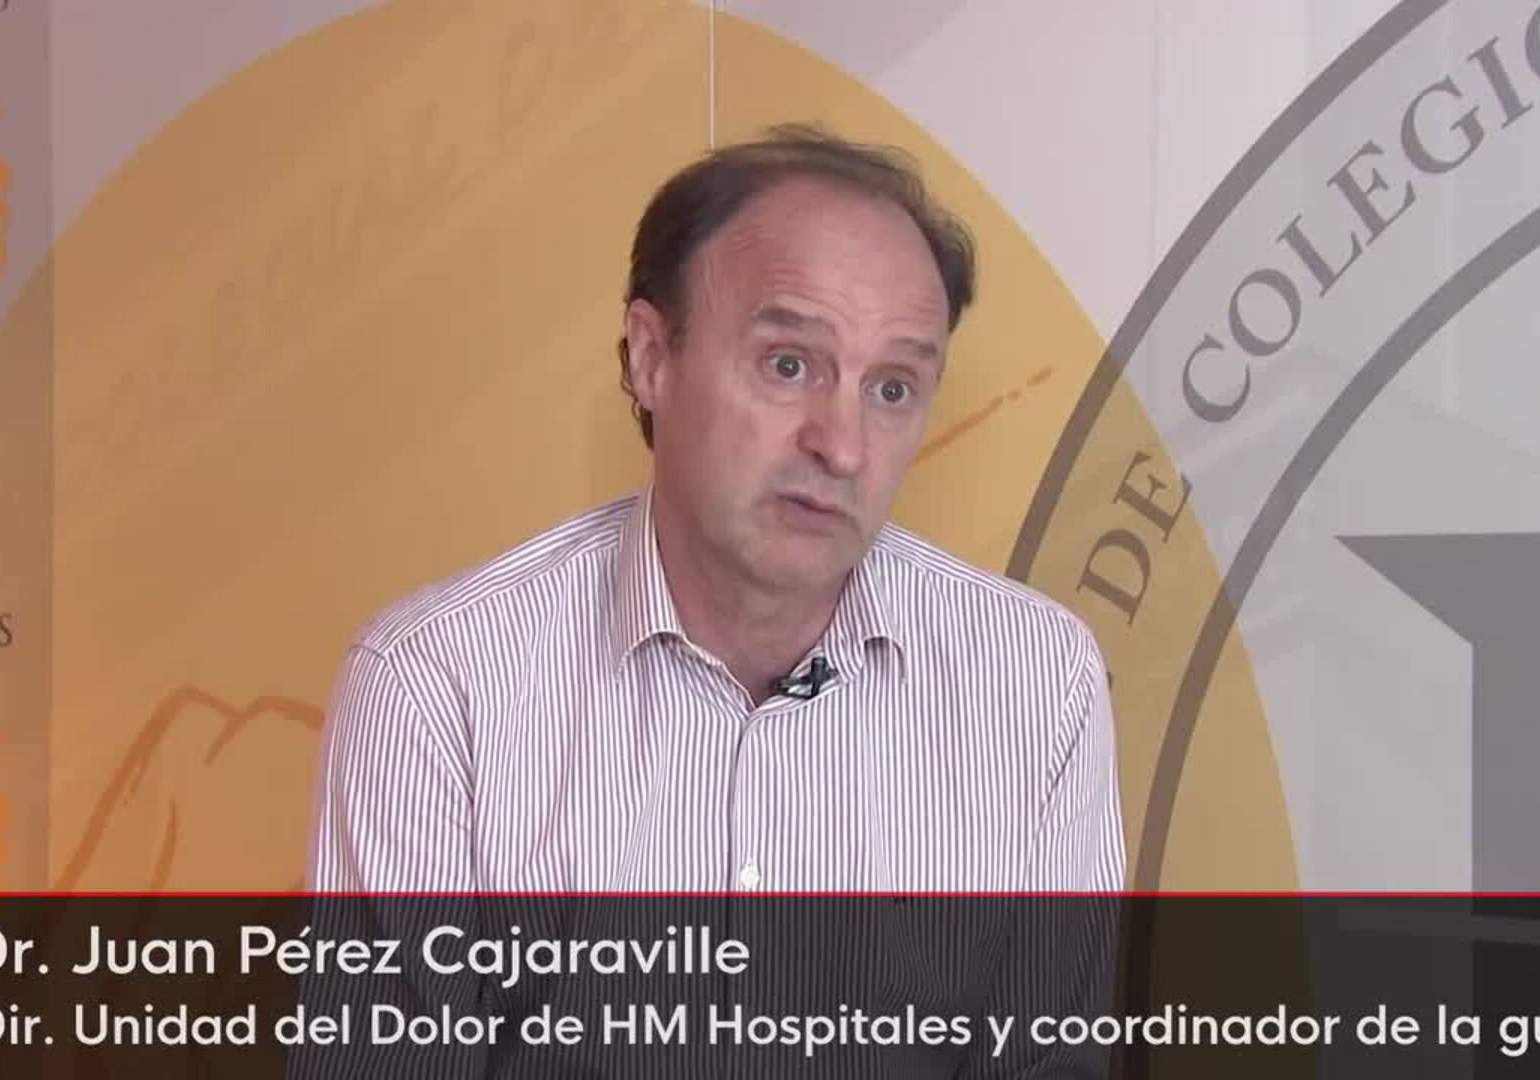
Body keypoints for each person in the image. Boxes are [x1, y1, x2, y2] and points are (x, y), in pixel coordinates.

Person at [306, 125, 1125, 895]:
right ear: (652, 358)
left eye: (891, 388)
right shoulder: (435, 686)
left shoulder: (1035, 681)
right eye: (788, 364)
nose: (843, 448)